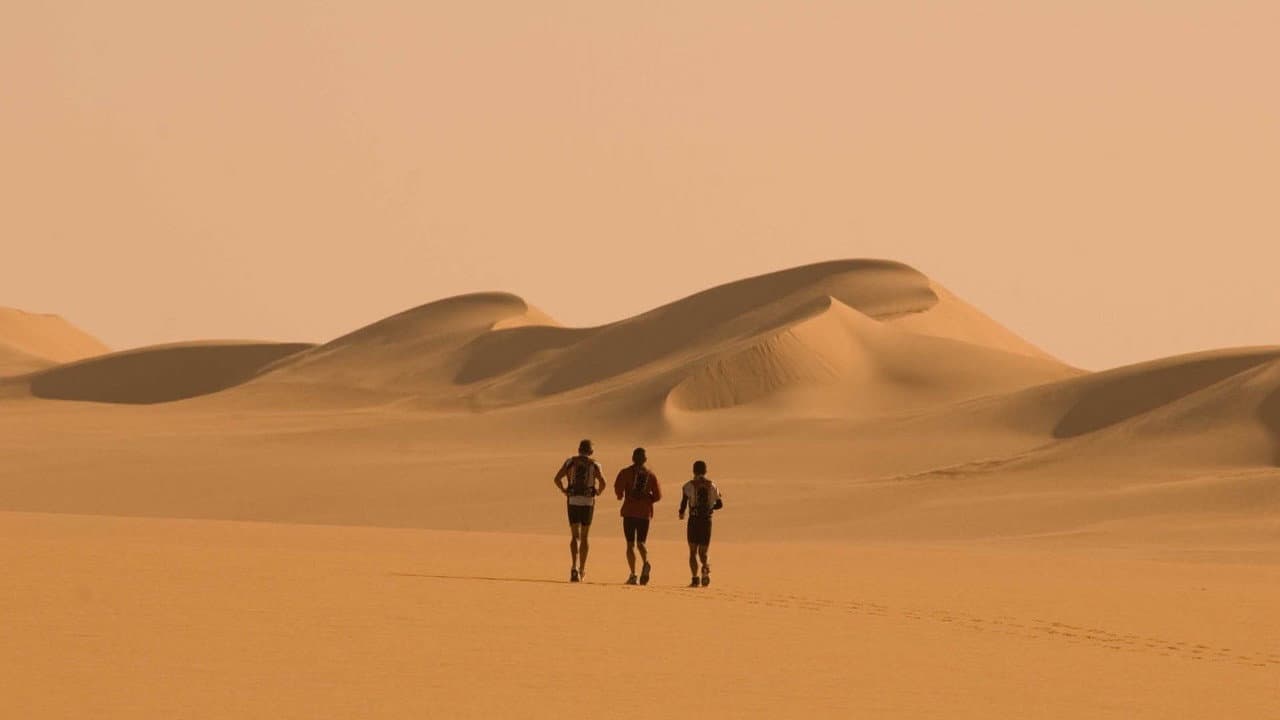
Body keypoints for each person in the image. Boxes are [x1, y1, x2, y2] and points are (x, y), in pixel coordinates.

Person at [554, 439, 606, 582]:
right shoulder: (595, 464)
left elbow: (557, 479)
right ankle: (582, 569)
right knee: (585, 536)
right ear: (591, 451)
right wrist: (598, 493)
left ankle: (573, 567)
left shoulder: (570, 462)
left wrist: (564, 490)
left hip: (573, 501)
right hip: (588, 502)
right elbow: (603, 483)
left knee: (574, 536)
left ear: (579, 449)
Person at [614, 447, 662, 585]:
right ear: (645, 460)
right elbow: (658, 496)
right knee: (641, 543)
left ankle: (633, 574)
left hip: (629, 512)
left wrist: (621, 496)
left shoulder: (625, 472)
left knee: (630, 544)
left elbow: (618, 490)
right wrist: (648, 500)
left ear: (633, 458)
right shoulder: (651, 475)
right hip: (644, 514)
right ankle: (646, 562)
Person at [678, 460, 723, 588]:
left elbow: (683, 503)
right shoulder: (712, 485)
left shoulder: (688, 486)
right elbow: (720, 504)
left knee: (692, 552)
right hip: (706, 521)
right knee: (703, 552)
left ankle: (694, 579)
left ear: (694, 471)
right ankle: (705, 568)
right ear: (705, 471)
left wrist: (681, 513)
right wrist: (710, 508)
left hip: (694, 520)